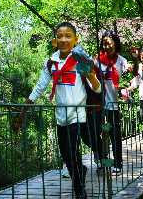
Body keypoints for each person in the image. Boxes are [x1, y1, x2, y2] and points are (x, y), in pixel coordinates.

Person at [24, 22, 101, 199]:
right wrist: (26, 105)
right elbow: (41, 85)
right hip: (61, 116)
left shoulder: (79, 60)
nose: (64, 39)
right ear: (54, 41)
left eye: (68, 36)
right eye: (60, 36)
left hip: (78, 114)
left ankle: (79, 189)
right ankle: (80, 170)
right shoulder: (51, 62)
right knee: (66, 155)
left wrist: (89, 73)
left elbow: (96, 89)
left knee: (73, 152)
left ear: (76, 40)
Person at [94, 30, 130, 174]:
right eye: (104, 44)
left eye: (109, 43)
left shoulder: (122, 61)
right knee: (100, 135)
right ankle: (104, 163)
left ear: (115, 43)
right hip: (98, 105)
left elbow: (128, 79)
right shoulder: (97, 60)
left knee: (114, 134)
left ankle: (117, 163)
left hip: (112, 104)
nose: (106, 46)